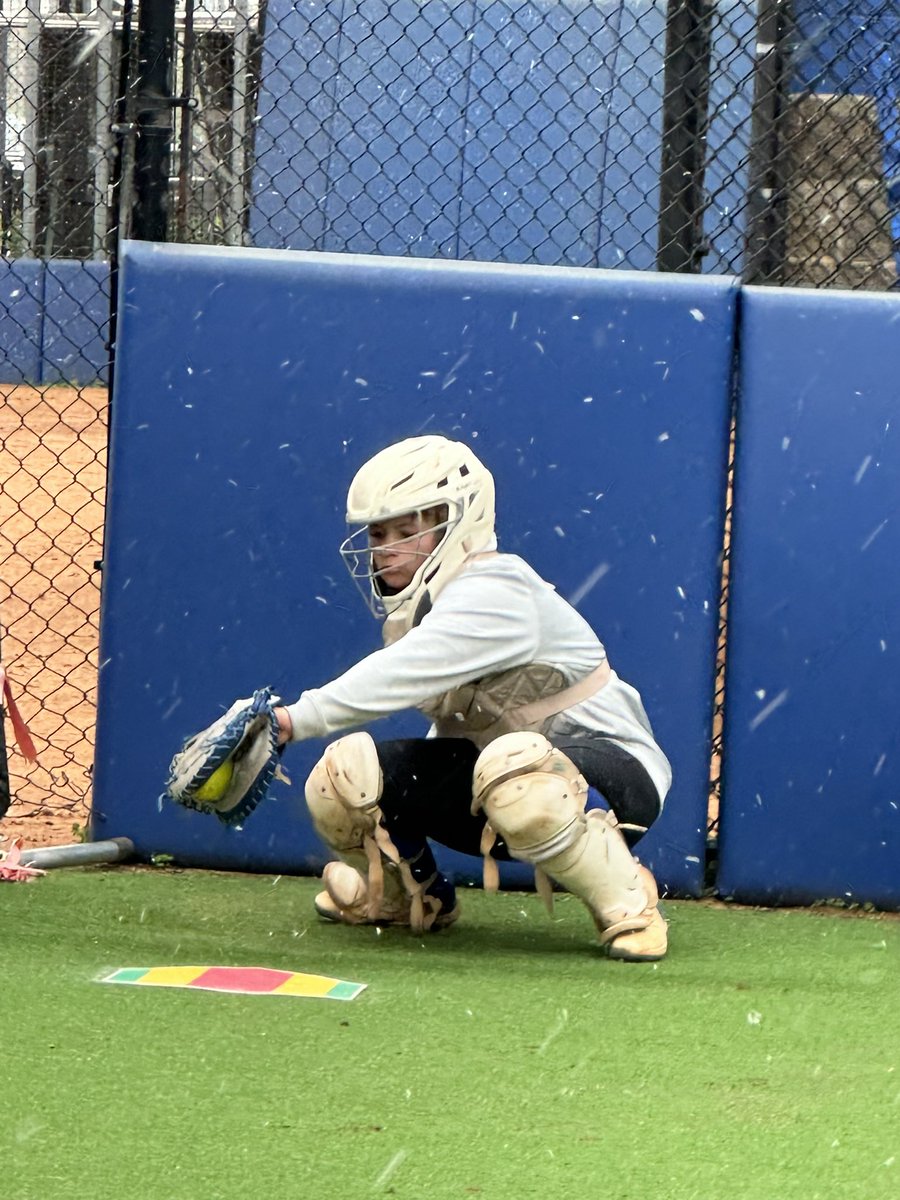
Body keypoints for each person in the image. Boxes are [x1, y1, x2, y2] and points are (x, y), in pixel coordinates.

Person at [272, 435, 672, 961]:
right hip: (506, 783)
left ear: (458, 520)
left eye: (407, 529)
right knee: (343, 775)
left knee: (515, 765)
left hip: (614, 778)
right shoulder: (425, 605)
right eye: (377, 532)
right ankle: (406, 898)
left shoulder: (496, 587)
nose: (384, 547)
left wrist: (289, 720)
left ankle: (629, 901)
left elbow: (401, 673)